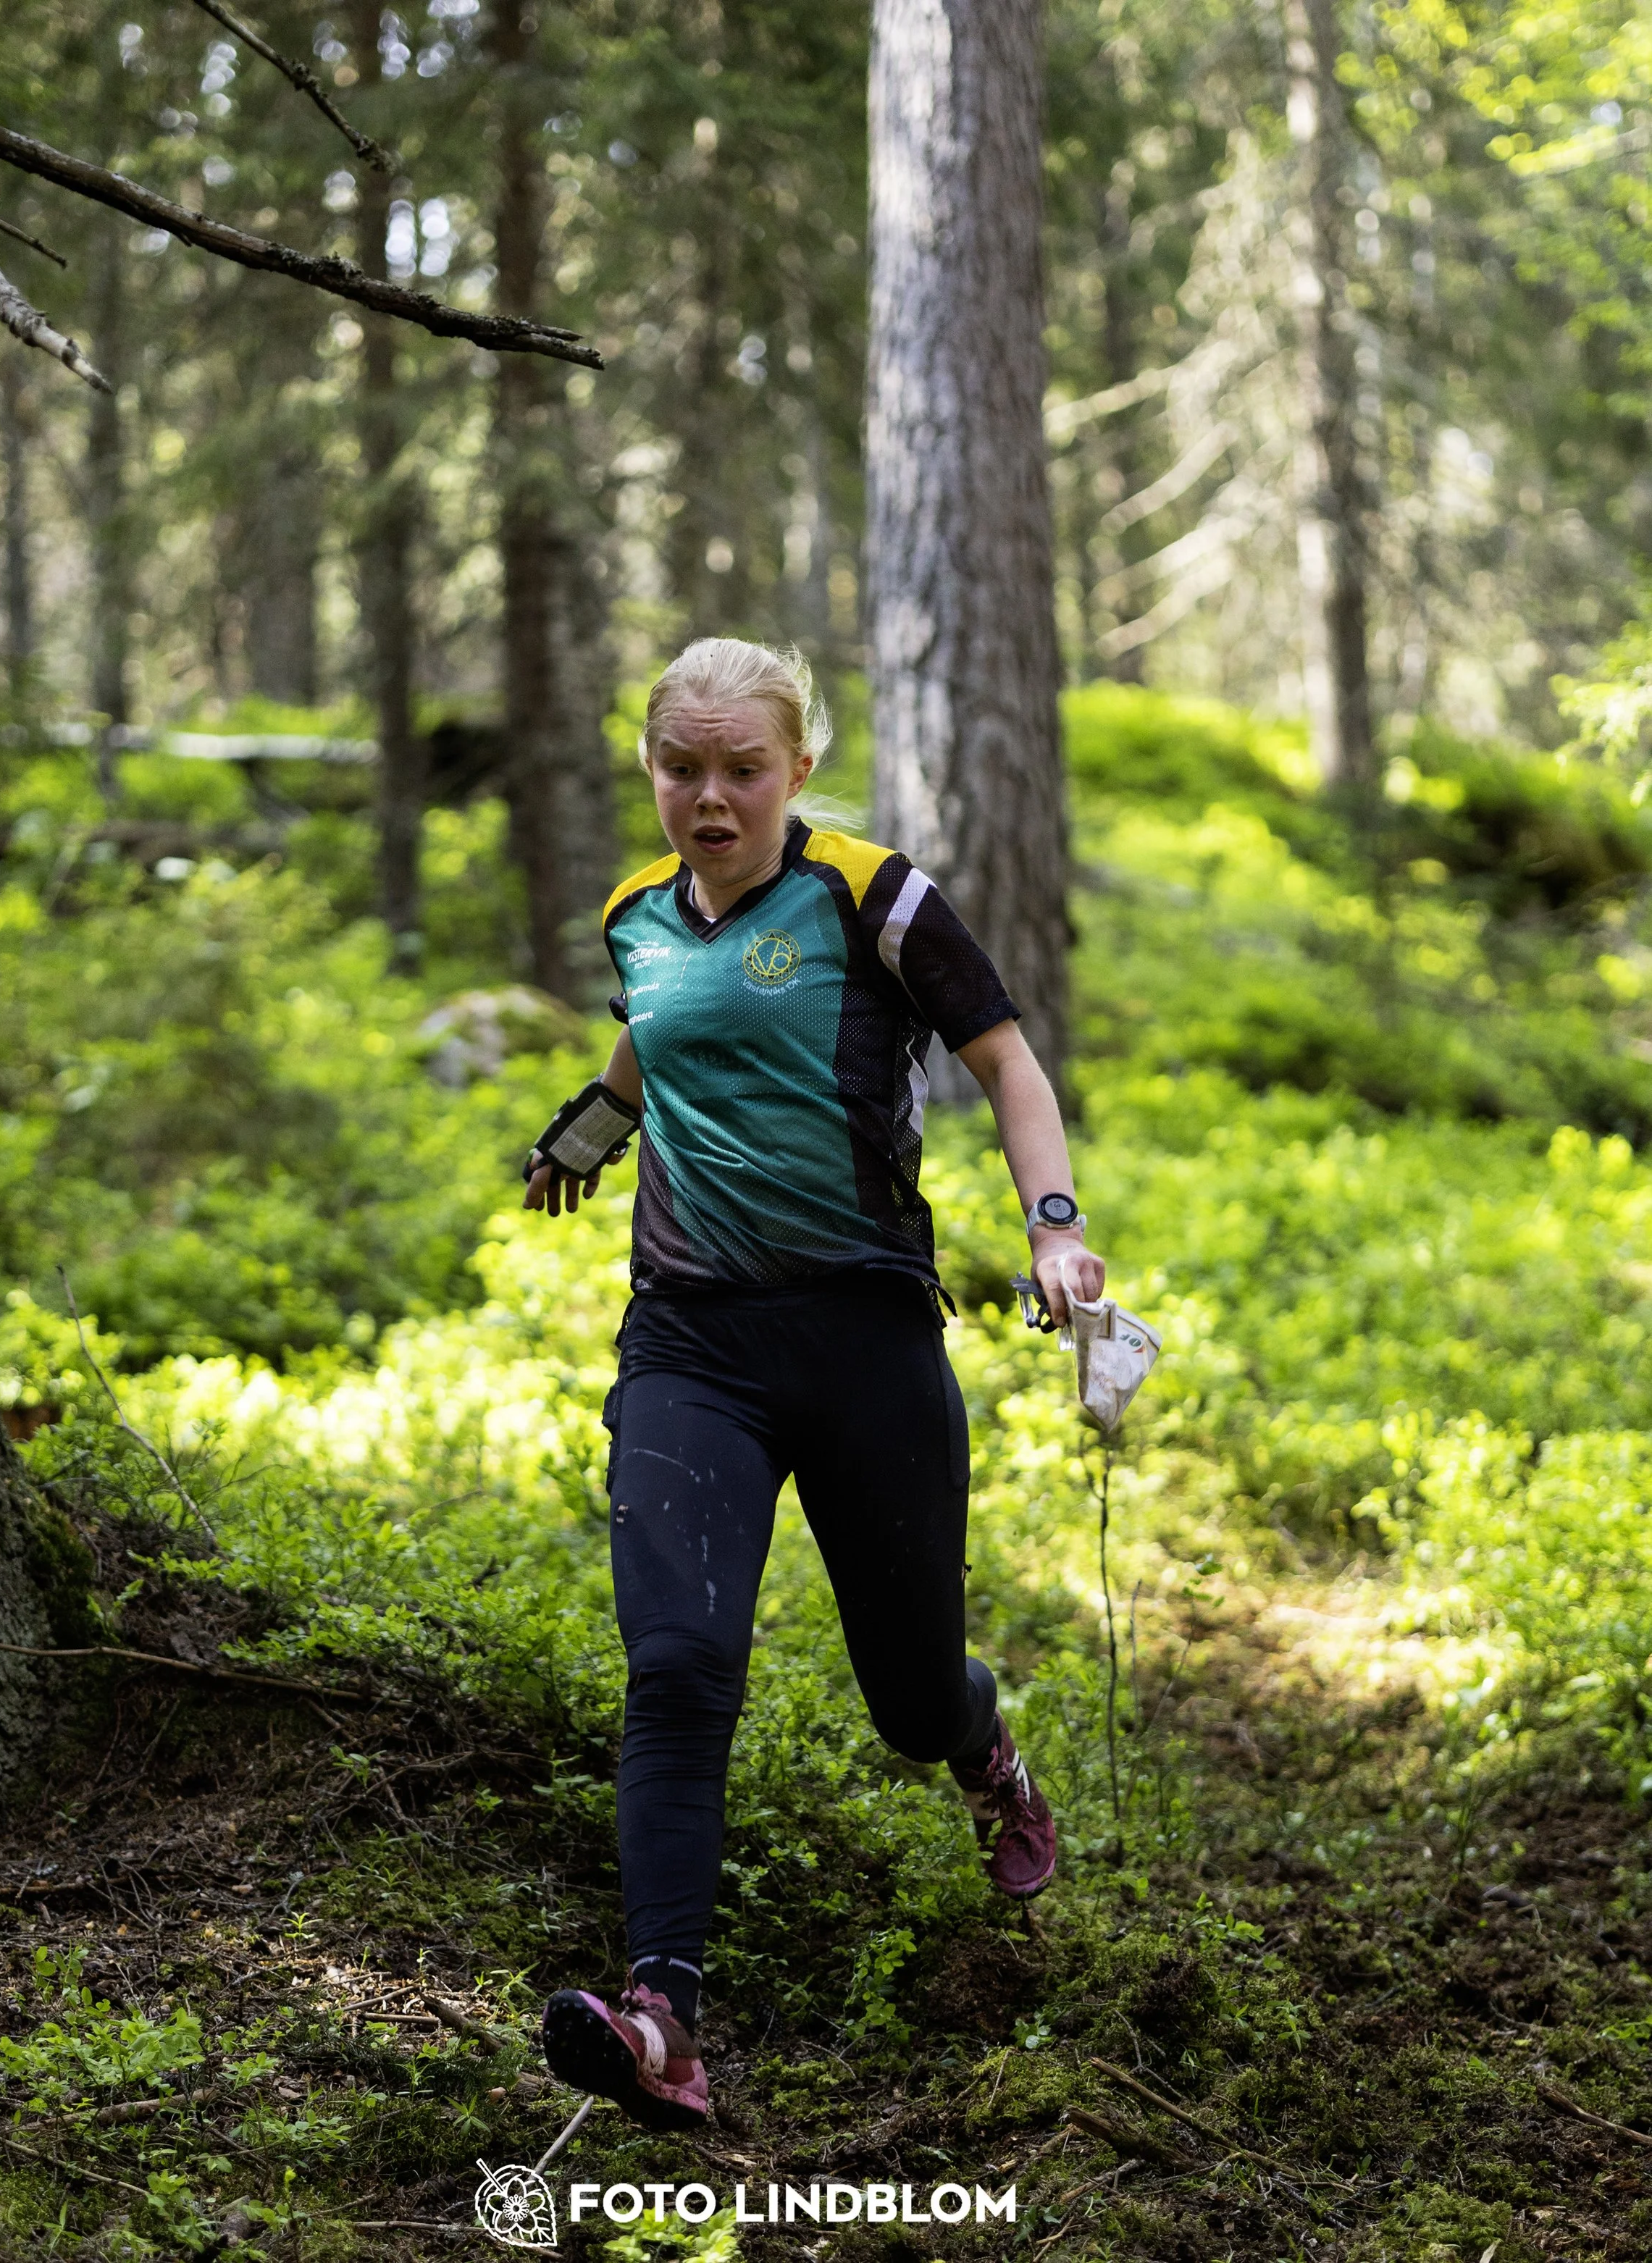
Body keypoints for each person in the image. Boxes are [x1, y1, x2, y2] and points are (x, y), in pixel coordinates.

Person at [521, 639, 1104, 2130]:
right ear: (650, 769)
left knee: (908, 1695)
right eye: (681, 769)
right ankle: (662, 2018)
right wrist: (587, 1130)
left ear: (795, 768)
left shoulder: (871, 896)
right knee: (676, 1663)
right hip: (690, 1343)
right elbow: (659, 1037)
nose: (710, 799)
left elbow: (1006, 1062)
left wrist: (1054, 1228)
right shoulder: (633, 916)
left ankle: (982, 1751)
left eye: (742, 770)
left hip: (863, 1339)